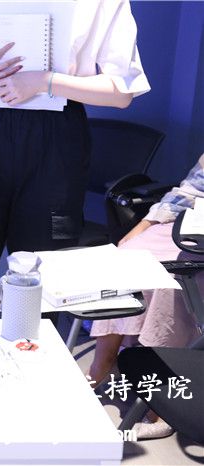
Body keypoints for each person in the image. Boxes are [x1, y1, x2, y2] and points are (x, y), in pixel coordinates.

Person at [0, 0, 150, 318]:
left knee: (43, 270)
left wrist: (45, 81)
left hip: (57, 133)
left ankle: (30, 346)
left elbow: (121, 92)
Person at [88, 152, 204, 439]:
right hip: (192, 225)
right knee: (127, 257)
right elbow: (190, 191)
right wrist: (142, 227)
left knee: (170, 281)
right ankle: (102, 365)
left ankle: (160, 402)